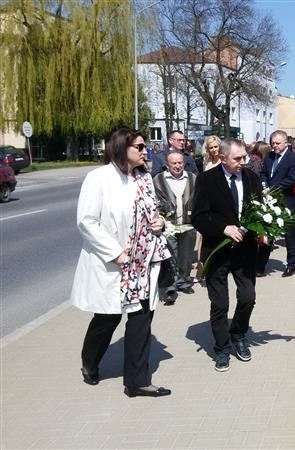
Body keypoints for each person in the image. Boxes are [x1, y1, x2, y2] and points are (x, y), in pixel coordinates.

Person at [72, 127, 171, 398]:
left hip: (143, 263)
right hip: (114, 264)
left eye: (144, 146)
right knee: (108, 318)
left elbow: (152, 213)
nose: (144, 151)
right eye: (138, 147)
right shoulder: (99, 178)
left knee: (142, 319)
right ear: (120, 148)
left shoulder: (144, 178)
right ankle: (90, 362)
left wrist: (159, 223)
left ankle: (137, 381)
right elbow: (87, 221)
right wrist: (115, 253)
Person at [191, 138, 261, 372]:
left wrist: (261, 225)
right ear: (222, 158)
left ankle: (238, 334)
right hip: (217, 251)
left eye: (245, 158)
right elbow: (199, 217)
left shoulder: (251, 178)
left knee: (248, 297)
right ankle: (222, 348)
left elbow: (259, 208)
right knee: (220, 304)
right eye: (237, 159)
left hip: (245, 251)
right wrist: (224, 228)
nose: (243, 162)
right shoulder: (207, 180)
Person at [153, 151, 198, 303]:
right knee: (170, 257)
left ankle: (184, 281)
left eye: (180, 163)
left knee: (186, 256)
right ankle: (170, 288)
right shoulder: (158, 180)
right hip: (168, 225)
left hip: (188, 224)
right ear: (167, 164)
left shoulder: (192, 178)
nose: (178, 166)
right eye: (174, 163)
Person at [260, 130, 295, 277]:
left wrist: (272, 189)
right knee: (266, 231)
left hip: (285, 199)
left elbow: (291, 179)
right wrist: (264, 184)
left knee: (289, 233)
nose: (274, 146)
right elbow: (264, 173)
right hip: (269, 199)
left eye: (277, 143)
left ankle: (291, 264)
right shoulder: (269, 156)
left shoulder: (293, 158)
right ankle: (261, 264)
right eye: (272, 143)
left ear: (285, 143)